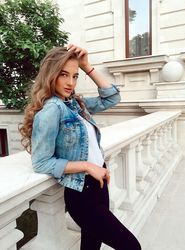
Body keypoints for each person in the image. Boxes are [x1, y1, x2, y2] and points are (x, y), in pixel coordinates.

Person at [19, 44, 141, 250]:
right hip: (81, 193)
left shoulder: (74, 104)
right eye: (64, 74)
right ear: (51, 75)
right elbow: (41, 162)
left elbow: (112, 97)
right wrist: (87, 166)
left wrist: (86, 66)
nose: (70, 82)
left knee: (91, 246)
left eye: (75, 76)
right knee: (130, 246)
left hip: (98, 186)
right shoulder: (51, 111)